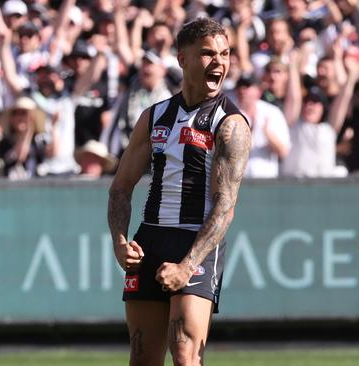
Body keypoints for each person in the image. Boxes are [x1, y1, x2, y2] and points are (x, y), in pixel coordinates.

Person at [107, 17, 251, 366]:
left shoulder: (230, 124)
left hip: (195, 243)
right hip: (150, 239)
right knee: (142, 356)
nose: (219, 62)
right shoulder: (154, 116)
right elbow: (120, 189)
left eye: (225, 53)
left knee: (186, 354)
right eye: (207, 53)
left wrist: (187, 266)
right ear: (182, 58)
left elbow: (225, 207)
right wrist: (120, 240)